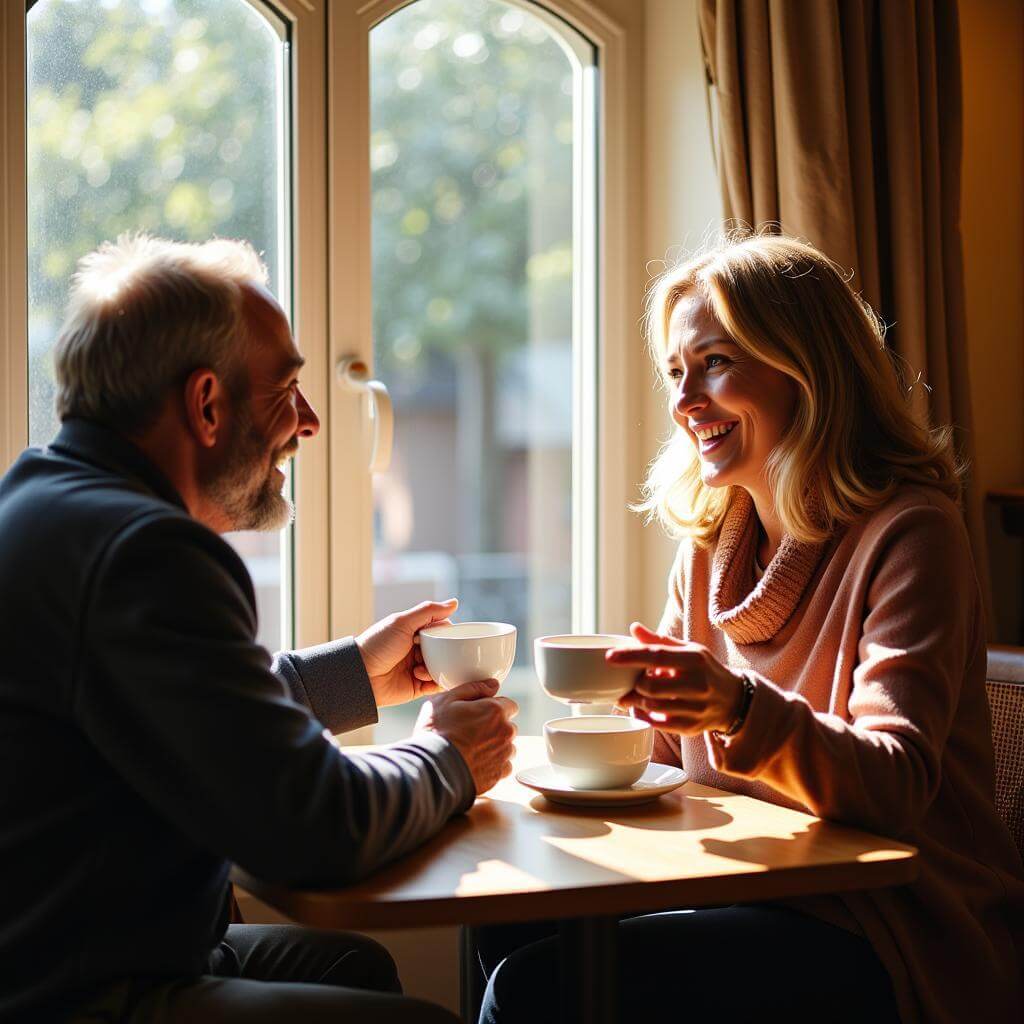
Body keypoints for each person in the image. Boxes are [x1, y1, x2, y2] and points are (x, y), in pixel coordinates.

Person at [478, 234, 1024, 1023]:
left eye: (716, 363)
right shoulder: (711, 546)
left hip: (895, 927)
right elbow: (663, 761)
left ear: (809, 369)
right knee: (506, 921)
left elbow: (895, 783)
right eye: (676, 372)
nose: (683, 401)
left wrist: (736, 708)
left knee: (537, 992)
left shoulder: (911, 535)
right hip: (748, 890)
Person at [0, 234, 518, 1023]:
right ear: (207, 403)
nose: (307, 423)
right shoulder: (147, 552)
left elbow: (168, 713)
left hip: (71, 950)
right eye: (286, 390)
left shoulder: (44, 501)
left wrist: (350, 676)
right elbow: (316, 828)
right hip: (78, 994)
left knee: (352, 964)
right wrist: (452, 757)